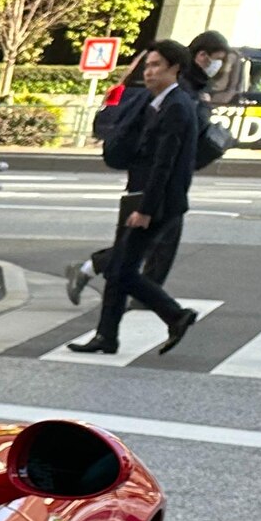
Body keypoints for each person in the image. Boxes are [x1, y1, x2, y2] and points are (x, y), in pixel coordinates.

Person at [69, 40, 199, 356]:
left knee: (123, 270)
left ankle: (175, 314)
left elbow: (163, 165)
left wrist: (146, 209)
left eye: (156, 65)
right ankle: (107, 336)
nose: (149, 71)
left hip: (155, 203)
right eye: (148, 65)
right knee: (119, 267)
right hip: (140, 196)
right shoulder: (155, 103)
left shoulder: (177, 107)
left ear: (175, 69)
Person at [189, 29, 244, 103]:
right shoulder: (179, 75)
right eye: (218, 59)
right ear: (202, 55)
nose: (219, 64)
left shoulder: (203, 82)